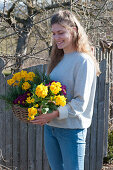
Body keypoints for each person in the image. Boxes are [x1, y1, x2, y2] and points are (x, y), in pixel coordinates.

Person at [31, 10, 100, 170]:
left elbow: (80, 103)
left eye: (61, 32)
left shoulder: (83, 61)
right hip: (51, 128)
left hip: (71, 130)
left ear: (74, 30)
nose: (56, 38)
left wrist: (54, 113)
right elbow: (50, 95)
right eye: (54, 33)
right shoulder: (58, 60)